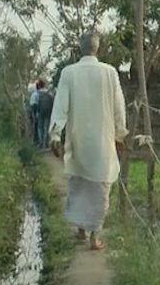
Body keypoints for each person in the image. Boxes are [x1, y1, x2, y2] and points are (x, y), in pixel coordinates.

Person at [48, 31, 127, 251]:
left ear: (80, 49)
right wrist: (120, 135)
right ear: (98, 48)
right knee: (100, 188)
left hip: (78, 140)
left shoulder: (68, 73)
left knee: (79, 186)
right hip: (102, 142)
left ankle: (81, 231)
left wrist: (55, 135)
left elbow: (60, 106)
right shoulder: (110, 73)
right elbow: (118, 107)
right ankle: (94, 236)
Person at [36, 82, 55, 149]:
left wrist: (37, 112)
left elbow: (37, 103)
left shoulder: (38, 93)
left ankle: (41, 143)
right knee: (46, 127)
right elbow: (53, 103)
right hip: (48, 112)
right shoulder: (49, 93)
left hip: (41, 112)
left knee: (40, 128)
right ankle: (46, 144)